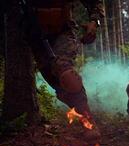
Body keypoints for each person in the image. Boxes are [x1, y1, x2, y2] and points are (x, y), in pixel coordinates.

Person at [21, 0, 105, 138]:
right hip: (36, 37)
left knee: (66, 73)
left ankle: (88, 122)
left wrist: (94, 22)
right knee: (60, 88)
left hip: (63, 32)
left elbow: (95, 2)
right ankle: (83, 115)